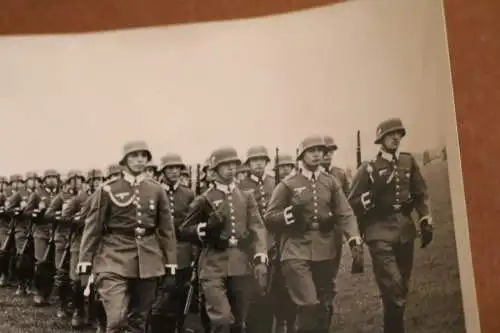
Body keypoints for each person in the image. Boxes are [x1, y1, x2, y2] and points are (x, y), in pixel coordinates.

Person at [264, 135, 363, 333]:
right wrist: (288, 214)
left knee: (324, 306)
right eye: (312, 151)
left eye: (320, 150)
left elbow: (345, 212)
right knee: (308, 304)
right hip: (295, 250)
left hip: (326, 249)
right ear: (302, 155)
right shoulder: (288, 184)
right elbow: (269, 217)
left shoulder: (331, 182)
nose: (318, 154)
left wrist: (354, 238)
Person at [77, 140, 177, 333]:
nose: (139, 160)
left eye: (143, 156)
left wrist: (170, 264)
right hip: (113, 258)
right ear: (124, 160)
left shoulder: (156, 190)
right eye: (134, 155)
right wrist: (85, 263)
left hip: (149, 260)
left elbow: (166, 230)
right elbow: (93, 228)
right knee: (116, 319)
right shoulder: (107, 189)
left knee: (139, 321)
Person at [348, 118, 433, 333]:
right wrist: (367, 200)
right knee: (394, 287)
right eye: (390, 134)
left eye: (399, 134)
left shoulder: (408, 161)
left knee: (400, 289)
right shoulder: (368, 168)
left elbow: (420, 192)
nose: (396, 138)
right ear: (381, 139)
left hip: (405, 231)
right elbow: (351, 203)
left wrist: (425, 218)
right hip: (379, 233)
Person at [177, 146, 268, 333]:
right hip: (212, 265)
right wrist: (203, 230)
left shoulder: (245, 196)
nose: (231, 169)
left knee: (239, 321)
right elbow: (184, 229)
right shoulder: (204, 199)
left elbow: (258, 227)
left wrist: (260, 256)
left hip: (241, 265)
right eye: (225, 165)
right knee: (222, 319)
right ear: (215, 169)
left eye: (234, 164)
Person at [150, 153, 196, 333]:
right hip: (158, 249)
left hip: (182, 250)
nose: (175, 171)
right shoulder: (153, 191)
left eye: (177, 168)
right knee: (159, 295)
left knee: (181, 292)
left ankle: (178, 326)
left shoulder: (188, 193)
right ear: (163, 171)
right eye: (170, 168)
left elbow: (192, 224)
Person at [238, 145, 275, 333]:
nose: (258, 163)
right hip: (251, 243)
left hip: (274, 242)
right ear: (248, 164)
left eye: (262, 160)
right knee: (254, 290)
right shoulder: (241, 186)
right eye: (254, 160)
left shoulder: (274, 182)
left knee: (273, 289)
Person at [61, 168, 104, 328]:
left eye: (100, 180)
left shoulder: (106, 197)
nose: (98, 183)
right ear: (89, 183)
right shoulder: (80, 198)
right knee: (77, 280)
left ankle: (93, 316)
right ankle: (78, 312)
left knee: (96, 281)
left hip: (98, 245)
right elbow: (65, 218)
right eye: (95, 180)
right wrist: (80, 220)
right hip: (79, 243)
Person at [45, 170, 86, 318]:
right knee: (62, 272)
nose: (76, 183)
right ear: (68, 183)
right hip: (62, 238)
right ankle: (62, 305)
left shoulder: (85, 197)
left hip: (79, 239)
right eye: (73, 180)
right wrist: (62, 217)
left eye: (79, 180)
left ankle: (75, 305)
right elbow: (48, 214)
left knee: (77, 275)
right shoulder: (61, 197)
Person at [23, 169, 60, 305]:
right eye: (48, 177)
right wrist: (37, 212)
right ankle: (39, 293)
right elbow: (26, 212)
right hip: (41, 231)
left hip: (56, 232)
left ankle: (47, 293)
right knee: (41, 263)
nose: (51, 180)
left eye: (54, 177)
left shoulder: (60, 193)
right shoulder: (37, 194)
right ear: (44, 180)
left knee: (53, 265)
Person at [5, 172, 34, 296]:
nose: (33, 182)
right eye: (30, 180)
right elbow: (9, 209)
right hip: (20, 228)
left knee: (31, 258)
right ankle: (21, 284)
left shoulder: (36, 194)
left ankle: (29, 283)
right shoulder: (19, 195)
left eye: (35, 180)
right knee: (21, 257)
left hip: (32, 229)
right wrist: (18, 211)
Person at [0, 176, 13, 287]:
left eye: (4, 184)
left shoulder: (9, 196)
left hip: (6, 226)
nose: (3, 186)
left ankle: (5, 275)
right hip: (3, 225)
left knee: (5, 252)